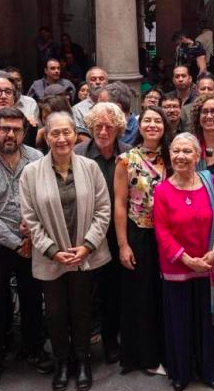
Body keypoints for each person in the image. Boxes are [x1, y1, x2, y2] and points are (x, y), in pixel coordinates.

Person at [20, 112, 111, 391]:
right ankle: (62, 361)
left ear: (76, 135)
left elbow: (103, 210)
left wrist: (86, 247)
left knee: (82, 309)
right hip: (52, 257)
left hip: (84, 254)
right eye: (55, 133)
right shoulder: (31, 173)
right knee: (56, 312)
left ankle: (82, 360)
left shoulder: (90, 168)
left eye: (66, 133)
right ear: (46, 137)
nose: (61, 139)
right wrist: (52, 251)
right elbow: (29, 217)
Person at [0, 107, 48, 391]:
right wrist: (17, 243)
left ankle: (34, 349)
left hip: (33, 241)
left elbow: (44, 198)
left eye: (16, 129)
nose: (10, 134)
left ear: (24, 132)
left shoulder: (37, 158)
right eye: (5, 129)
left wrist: (32, 230)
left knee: (32, 297)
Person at [153, 132, 214, 391]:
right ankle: (180, 372)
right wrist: (185, 259)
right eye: (176, 151)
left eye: (186, 151)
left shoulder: (210, 182)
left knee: (205, 323)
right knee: (180, 321)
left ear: (197, 155)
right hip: (177, 268)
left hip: (206, 265)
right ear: (169, 155)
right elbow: (162, 232)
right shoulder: (162, 191)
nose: (181, 156)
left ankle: (207, 370)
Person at [113, 106, 170, 376]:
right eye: (147, 120)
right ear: (139, 125)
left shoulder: (172, 155)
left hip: (168, 233)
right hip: (139, 233)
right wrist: (123, 244)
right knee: (141, 296)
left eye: (157, 121)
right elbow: (120, 203)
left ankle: (167, 350)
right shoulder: (126, 160)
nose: (152, 125)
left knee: (164, 295)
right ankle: (145, 356)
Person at [74, 102, 132, 365]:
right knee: (84, 293)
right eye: (98, 126)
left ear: (119, 129)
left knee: (113, 292)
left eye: (109, 126)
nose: (103, 131)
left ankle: (111, 341)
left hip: (116, 234)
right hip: (84, 235)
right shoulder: (78, 154)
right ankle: (82, 346)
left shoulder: (130, 156)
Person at [72, 66, 109, 136]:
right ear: (88, 84)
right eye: (93, 79)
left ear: (106, 83)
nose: (98, 82)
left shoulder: (114, 105)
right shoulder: (77, 110)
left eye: (101, 79)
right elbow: (81, 136)